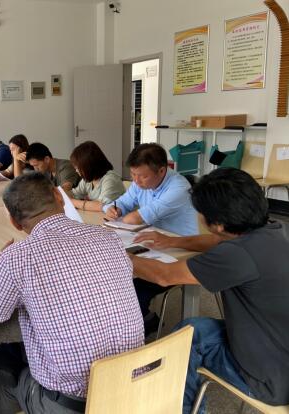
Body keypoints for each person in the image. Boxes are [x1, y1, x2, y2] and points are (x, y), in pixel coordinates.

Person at [0, 172, 144, 414]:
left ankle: (14, 367)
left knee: (9, 381)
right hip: (137, 388)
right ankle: (14, 356)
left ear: (15, 223)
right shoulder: (109, 237)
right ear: (59, 197)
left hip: (76, 403)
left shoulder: (16, 258)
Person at [130, 168, 289, 413]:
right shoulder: (274, 229)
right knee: (193, 328)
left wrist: (116, 253)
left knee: (186, 341)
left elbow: (164, 276)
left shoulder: (237, 254)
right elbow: (217, 241)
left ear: (218, 224)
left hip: (270, 381)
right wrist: (173, 241)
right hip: (279, 349)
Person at [103, 143, 199, 334]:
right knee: (113, 278)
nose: (136, 181)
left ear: (162, 170)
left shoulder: (179, 187)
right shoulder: (141, 182)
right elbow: (120, 204)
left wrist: (123, 214)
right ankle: (143, 319)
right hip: (152, 243)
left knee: (129, 288)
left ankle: (141, 325)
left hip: (180, 252)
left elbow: (134, 218)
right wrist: (115, 209)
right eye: (133, 175)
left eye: (142, 176)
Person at [68, 141, 125, 212]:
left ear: (89, 165)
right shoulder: (88, 179)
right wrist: (62, 194)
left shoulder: (110, 179)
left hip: (121, 218)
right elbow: (74, 194)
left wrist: (72, 201)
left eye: (78, 167)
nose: (76, 171)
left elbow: (101, 206)